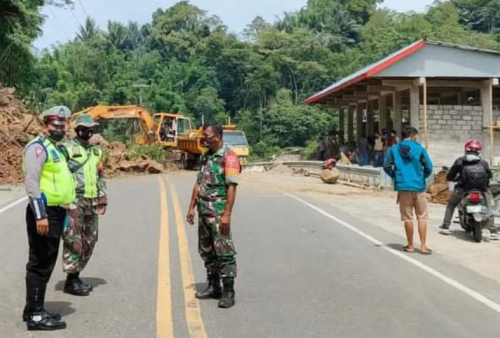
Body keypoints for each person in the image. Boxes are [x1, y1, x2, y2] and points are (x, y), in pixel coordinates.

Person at [22, 106, 74, 330]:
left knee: (47, 260)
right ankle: (35, 315)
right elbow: (32, 183)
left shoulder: (57, 149)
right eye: (55, 125)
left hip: (56, 212)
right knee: (40, 263)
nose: (59, 128)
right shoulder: (37, 148)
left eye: (63, 125)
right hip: (44, 213)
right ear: (45, 126)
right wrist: (40, 214)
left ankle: (33, 308)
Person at [186, 124, 240, 309]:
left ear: (217, 137)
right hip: (203, 211)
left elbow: (232, 187)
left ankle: (228, 291)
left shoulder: (229, 157)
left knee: (224, 251)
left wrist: (227, 214)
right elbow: (198, 182)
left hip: (218, 213)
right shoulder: (205, 155)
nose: (203, 138)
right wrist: (191, 207)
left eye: (207, 135)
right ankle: (213, 286)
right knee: (207, 250)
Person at [60, 114, 108, 296]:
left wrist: (103, 197)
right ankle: (71, 280)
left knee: (90, 239)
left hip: (93, 201)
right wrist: (64, 201)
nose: (87, 131)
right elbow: (60, 175)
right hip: (74, 202)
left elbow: (100, 175)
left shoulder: (96, 151)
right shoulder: (66, 149)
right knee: (73, 240)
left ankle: (77, 274)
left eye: (91, 128)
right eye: (84, 128)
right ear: (77, 129)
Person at [384, 126, 434, 255]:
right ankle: (423, 246)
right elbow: (429, 167)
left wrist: (396, 176)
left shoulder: (394, 149)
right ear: (413, 136)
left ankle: (410, 246)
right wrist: (421, 177)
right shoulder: (420, 149)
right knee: (422, 217)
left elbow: (386, 166)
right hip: (419, 187)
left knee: (408, 218)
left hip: (403, 187)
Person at [439, 140, 498, 239]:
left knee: (451, 204)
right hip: (482, 190)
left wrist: (451, 178)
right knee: (489, 206)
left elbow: (450, 175)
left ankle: (446, 226)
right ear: (479, 151)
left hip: (463, 189)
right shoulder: (484, 163)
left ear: (466, 149)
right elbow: (489, 176)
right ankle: (493, 230)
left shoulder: (460, 161)